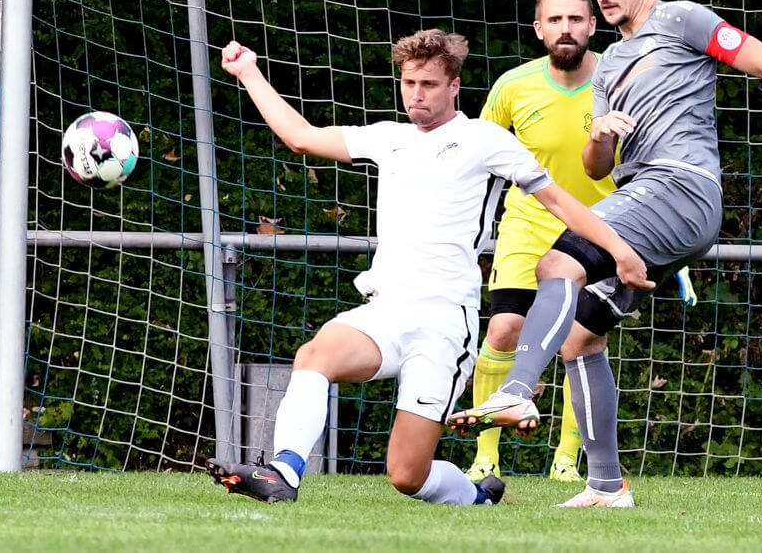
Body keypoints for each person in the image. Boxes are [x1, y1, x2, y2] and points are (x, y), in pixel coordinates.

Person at [449, 0, 762, 507]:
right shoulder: (607, 69)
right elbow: (597, 164)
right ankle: (607, 485)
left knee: (558, 259)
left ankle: (514, 388)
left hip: (682, 187)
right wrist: (600, 137)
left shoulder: (683, 20)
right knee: (580, 339)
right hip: (648, 199)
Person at [206, 29, 651, 506]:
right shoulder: (388, 138)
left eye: (429, 84)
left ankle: (479, 498)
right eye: (409, 82)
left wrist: (620, 250)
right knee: (315, 355)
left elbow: (562, 203)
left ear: (454, 87)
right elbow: (300, 138)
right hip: (385, 311)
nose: (416, 94)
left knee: (407, 474)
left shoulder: (484, 140)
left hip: (443, 324)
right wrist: (248, 72)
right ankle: (284, 473)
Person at [467, 0, 696, 484]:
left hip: (602, 228)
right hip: (529, 225)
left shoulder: (621, 77)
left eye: (576, 18)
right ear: (538, 28)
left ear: (593, 25)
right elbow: (477, 157)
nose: (565, 28)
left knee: (579, 339)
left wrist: (667, 236)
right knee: (504, 329)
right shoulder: (512, 86)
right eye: (555, 19)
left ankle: (567, 462)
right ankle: (485, 454)